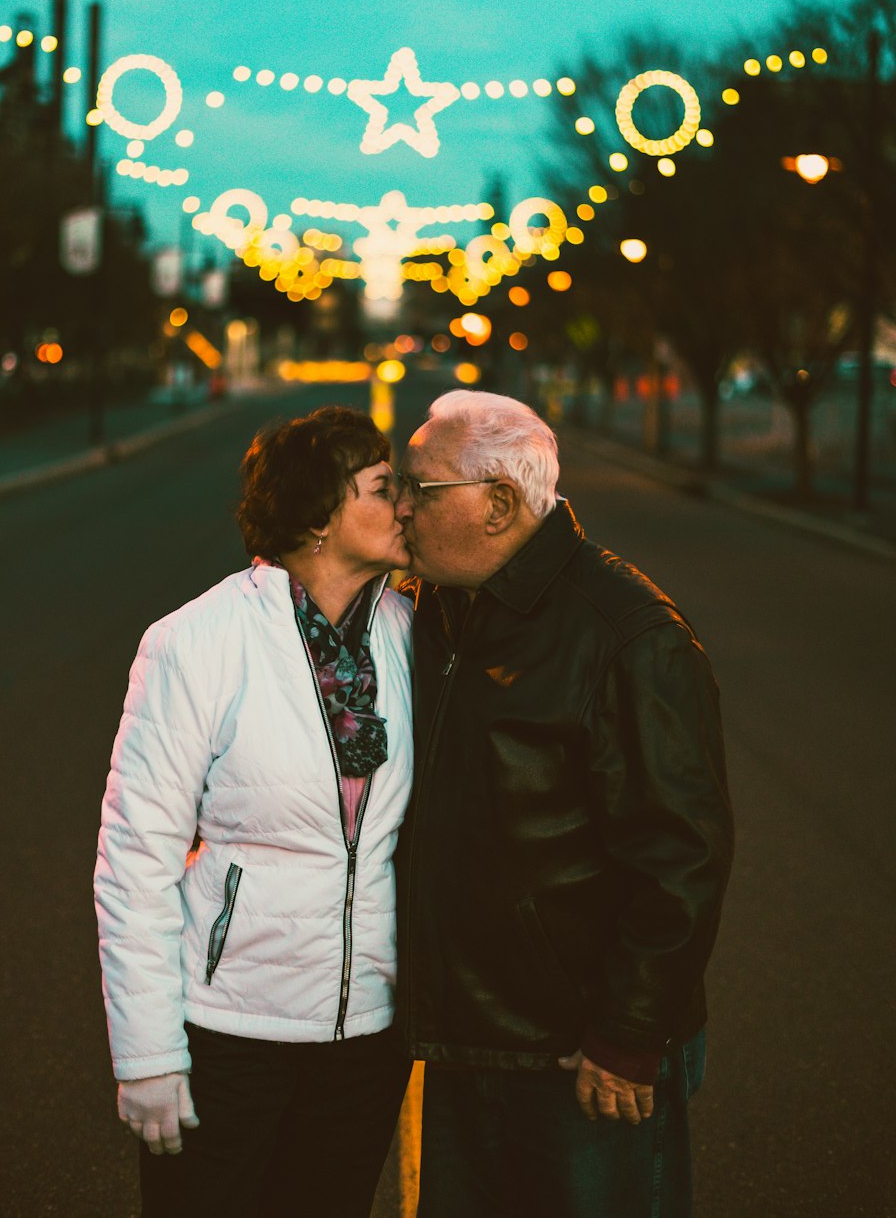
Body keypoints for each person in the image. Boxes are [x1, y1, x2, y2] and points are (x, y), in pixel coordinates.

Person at [393, 389, 734, 1218]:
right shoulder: (444, 606)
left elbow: (680, 856)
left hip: (582, 1054)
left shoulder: (627, 635)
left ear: (500, 504)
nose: (400, 509)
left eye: (420, 490)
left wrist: (627, 1035)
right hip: (470, 1033)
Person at [94, 406, 413, 1217]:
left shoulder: (412, 633)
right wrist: (147, 1053)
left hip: (364, 1040)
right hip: (229, 1033)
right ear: (317, 516)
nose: (406, 503)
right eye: (382, 487)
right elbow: (135, 859)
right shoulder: (196, 642)